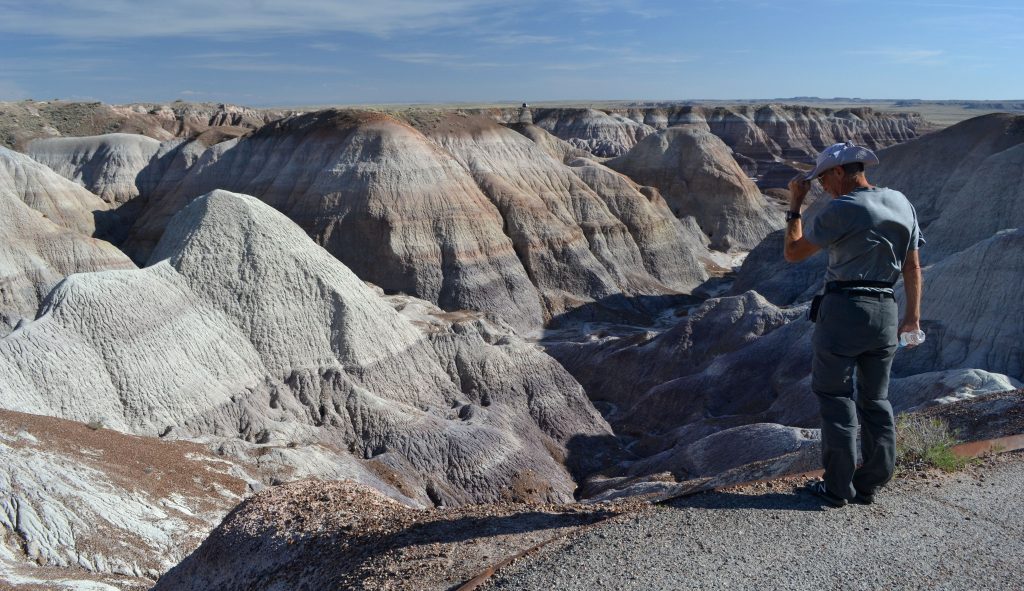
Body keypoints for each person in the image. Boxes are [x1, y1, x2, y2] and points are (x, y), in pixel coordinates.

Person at [783, 141, 924, 507]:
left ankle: (837, 489)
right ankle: (870, 484)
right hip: (886, 311)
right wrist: (912, 317)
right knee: (876, 400)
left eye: (823, 178)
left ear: (840, 172)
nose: (822, 186)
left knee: (835, 399)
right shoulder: (901, 201)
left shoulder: (843, 208)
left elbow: (793, 253)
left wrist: (795, 206)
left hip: (845, 309)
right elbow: (912, 266)